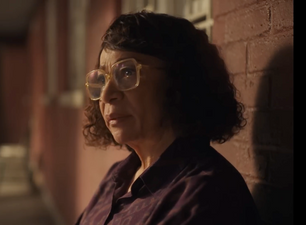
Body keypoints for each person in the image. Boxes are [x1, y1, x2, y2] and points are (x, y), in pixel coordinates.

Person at [76, 10, 262, 225]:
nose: (107, 95)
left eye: (127, 72)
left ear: (179, 80)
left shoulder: (206, 196)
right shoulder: (117, 175)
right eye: (102, 78)